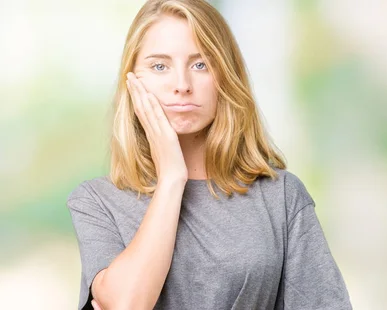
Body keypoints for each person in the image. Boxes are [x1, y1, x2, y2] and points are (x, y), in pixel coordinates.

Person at [66, 0, 352, 309]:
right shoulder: (96, 202)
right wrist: (172, 178)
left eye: (200, 64)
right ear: (132, 80)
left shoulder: (282, 197)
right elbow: (127, 304)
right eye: (160, 66)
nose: (182, 85)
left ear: (225, 76)